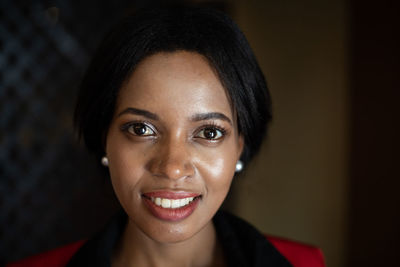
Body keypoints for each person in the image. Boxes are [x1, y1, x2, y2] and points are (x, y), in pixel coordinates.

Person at [7, 6, 325, 267]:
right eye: (141, 129)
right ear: (105, 138)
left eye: (209, 132)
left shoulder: (304, 263)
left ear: (239, 147)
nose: (172, 167)